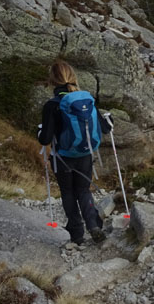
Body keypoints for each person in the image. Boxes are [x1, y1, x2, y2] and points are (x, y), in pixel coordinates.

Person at [37, 61, 110, 245]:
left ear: (52, 80)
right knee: (83, 190)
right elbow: (105, 128)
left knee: (68, 192)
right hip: (84, 154)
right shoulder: (86, 100)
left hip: (62, 157)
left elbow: (45, 139)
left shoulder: (52, 105)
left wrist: (39, 131)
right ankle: (93, 224)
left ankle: (76, 233)